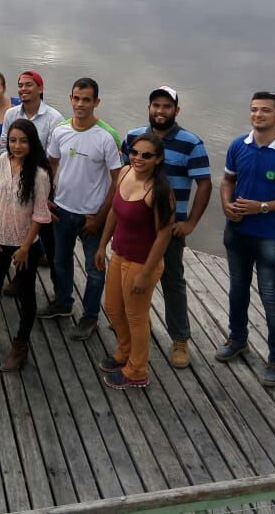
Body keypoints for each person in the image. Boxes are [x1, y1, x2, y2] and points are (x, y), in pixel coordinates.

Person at [217, 92, 275, 387]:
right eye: (254, 109)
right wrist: (226, 204)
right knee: (237, 289)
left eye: (266, 110)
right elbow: (227, 180)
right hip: (237, 232)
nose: (258, 115)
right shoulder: (239, 145)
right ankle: (238, 339)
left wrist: (263, 207)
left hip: (270, 238)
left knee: (270, 297)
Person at [121, 86, 212, 368]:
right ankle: (136, 327)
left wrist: (191, 222)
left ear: (176, 110)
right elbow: (124, 176)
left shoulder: (191, 143)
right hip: (137, 225)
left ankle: (180, 338)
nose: (160, 111)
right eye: (156, 105)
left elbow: (204, 184)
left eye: (166, 106)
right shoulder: (133, 138)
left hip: (170, 228)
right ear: (149, 107)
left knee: (172, 281)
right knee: (130, 277)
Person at [42, 78, 122, 341]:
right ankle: (63, 302)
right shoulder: (60, 130)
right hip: (62, 210)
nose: (80, 104)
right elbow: (52, 164)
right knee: (60, 261)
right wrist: (47, 197)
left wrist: (99, 218)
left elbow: (117, 182)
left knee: (95, 268)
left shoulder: (107, 136)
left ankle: (90, 316)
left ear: (96, 102)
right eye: (76, 98)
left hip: (92, 216)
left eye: (86, 99)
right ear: (70, 98)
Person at [95, 133, 176, 389]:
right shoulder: (125, 172)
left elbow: (164, 235)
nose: (139, 158)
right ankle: (124, 351)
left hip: (142, 262)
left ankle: (137, 370)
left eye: (147, 155)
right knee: (112, 308)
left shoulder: (160, 191)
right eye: (135, 152)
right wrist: (102, 245)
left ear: (158, 159)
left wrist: (146, 273)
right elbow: (114, 212)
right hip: (119, 253)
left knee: (136, 317)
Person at [0, 119, 52, 371]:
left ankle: (20, 344)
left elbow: (40, 215)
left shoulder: (40, 174)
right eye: (13, 140)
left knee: (26, 294)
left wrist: (24, 248)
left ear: (32, 143)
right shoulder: (3, 160)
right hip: (0, 238)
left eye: (23, 141)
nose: (17, 145)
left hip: (25, 245)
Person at [0, 71, 65, 271]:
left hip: (41, 181)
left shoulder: (53, 118)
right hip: (14, 179)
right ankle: (20, 275)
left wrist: (45, 191)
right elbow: (4, 145)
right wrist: (9, 174)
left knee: (46, 232)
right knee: (17, 225)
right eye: (20, 85)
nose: (23, 89)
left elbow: (54, 158)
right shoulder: (11, 114)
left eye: (29, 85)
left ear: (40, 88)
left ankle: (55, 278)